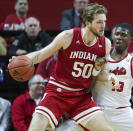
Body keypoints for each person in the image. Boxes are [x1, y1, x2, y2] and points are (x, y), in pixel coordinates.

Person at [10, 3, 116, 131]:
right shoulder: (68, 36)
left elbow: (101, 74)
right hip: (57, 92)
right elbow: (40, 55)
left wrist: (110, 76)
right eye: (99, 22)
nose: (103, 25)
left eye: (104, 21)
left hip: (80, 97)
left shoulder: (105, 43)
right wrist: (22, 59)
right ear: (87, 23)